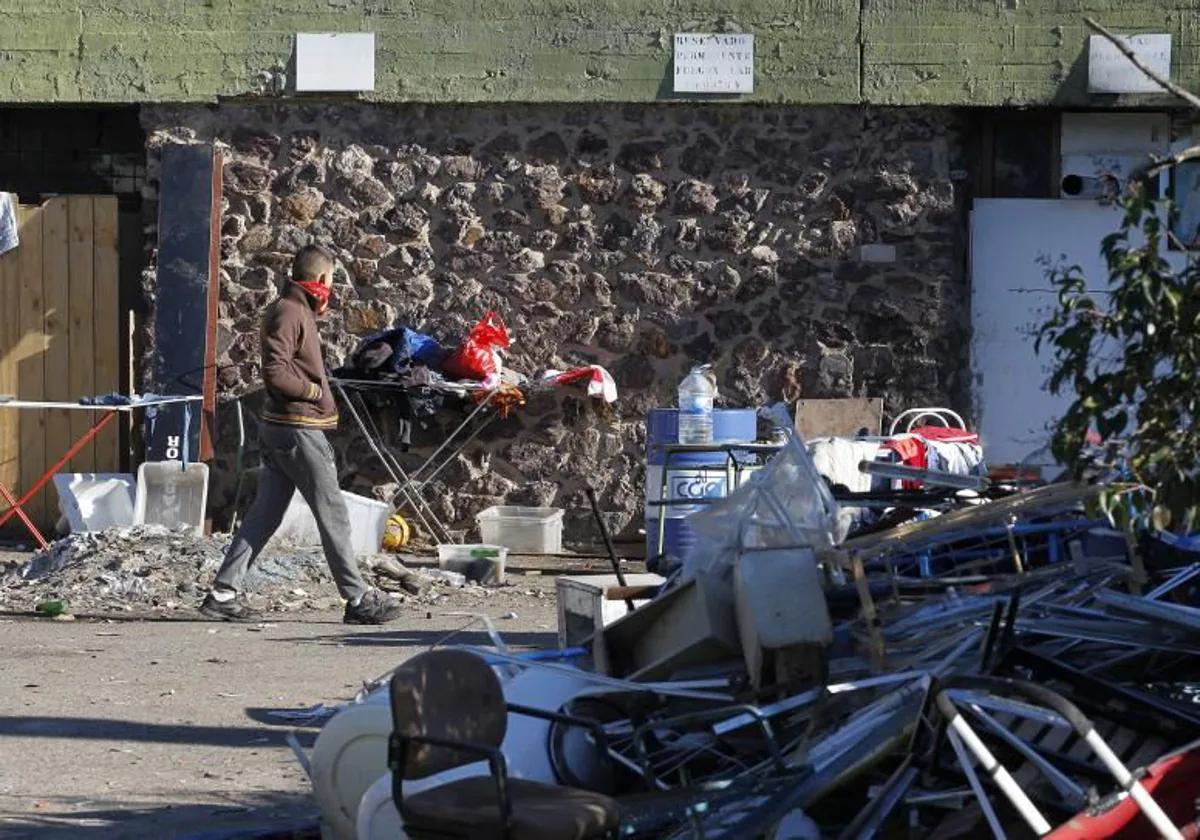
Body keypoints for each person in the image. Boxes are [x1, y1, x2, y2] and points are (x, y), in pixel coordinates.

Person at [200, 244, 403, 625]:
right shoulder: (290, 312)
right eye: (332, 281)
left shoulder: (291, 309)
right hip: (298, 429)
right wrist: (312, 391)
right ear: (322, 279)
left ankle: (223, 593)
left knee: (264, 516)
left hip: (285, 428)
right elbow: (276, 372)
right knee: (333, 513)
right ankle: (358, 599)